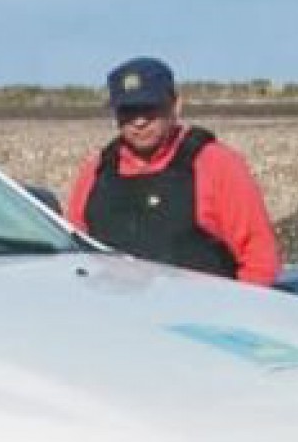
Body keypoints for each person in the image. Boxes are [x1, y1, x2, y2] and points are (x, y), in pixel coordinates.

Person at [64, 57, 280, 285]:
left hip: (201, 312)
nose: (139, 122)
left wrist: (238, 313)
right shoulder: (96, 171)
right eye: (128, 111)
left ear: (175, 105)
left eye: (149, 109)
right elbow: (74, 258)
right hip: (118, 312)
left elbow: (259, 258)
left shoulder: (215, 164)